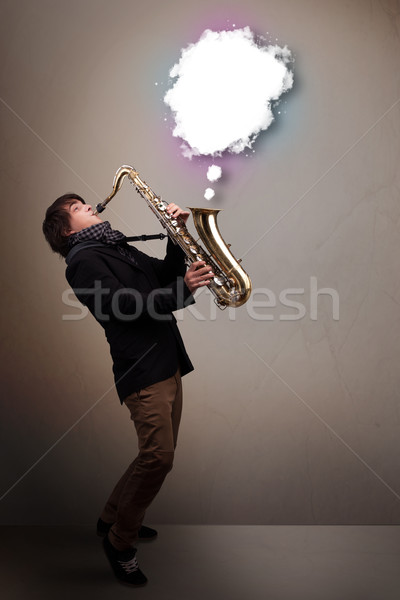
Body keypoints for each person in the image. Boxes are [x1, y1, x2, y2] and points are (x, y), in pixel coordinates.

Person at [42, 193, 213, 586]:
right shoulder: (83, 262)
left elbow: (165, 275)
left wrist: (177, 233)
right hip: (143, 369)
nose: (88, 205)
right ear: (67, 231)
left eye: (85, 202)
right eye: (78, 208)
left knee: (152, 454)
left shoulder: (113, 246)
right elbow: (123, 306)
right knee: (159, 458)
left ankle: (109, 518)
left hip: (166, 360)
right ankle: (121, 542)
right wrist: (184, 289)